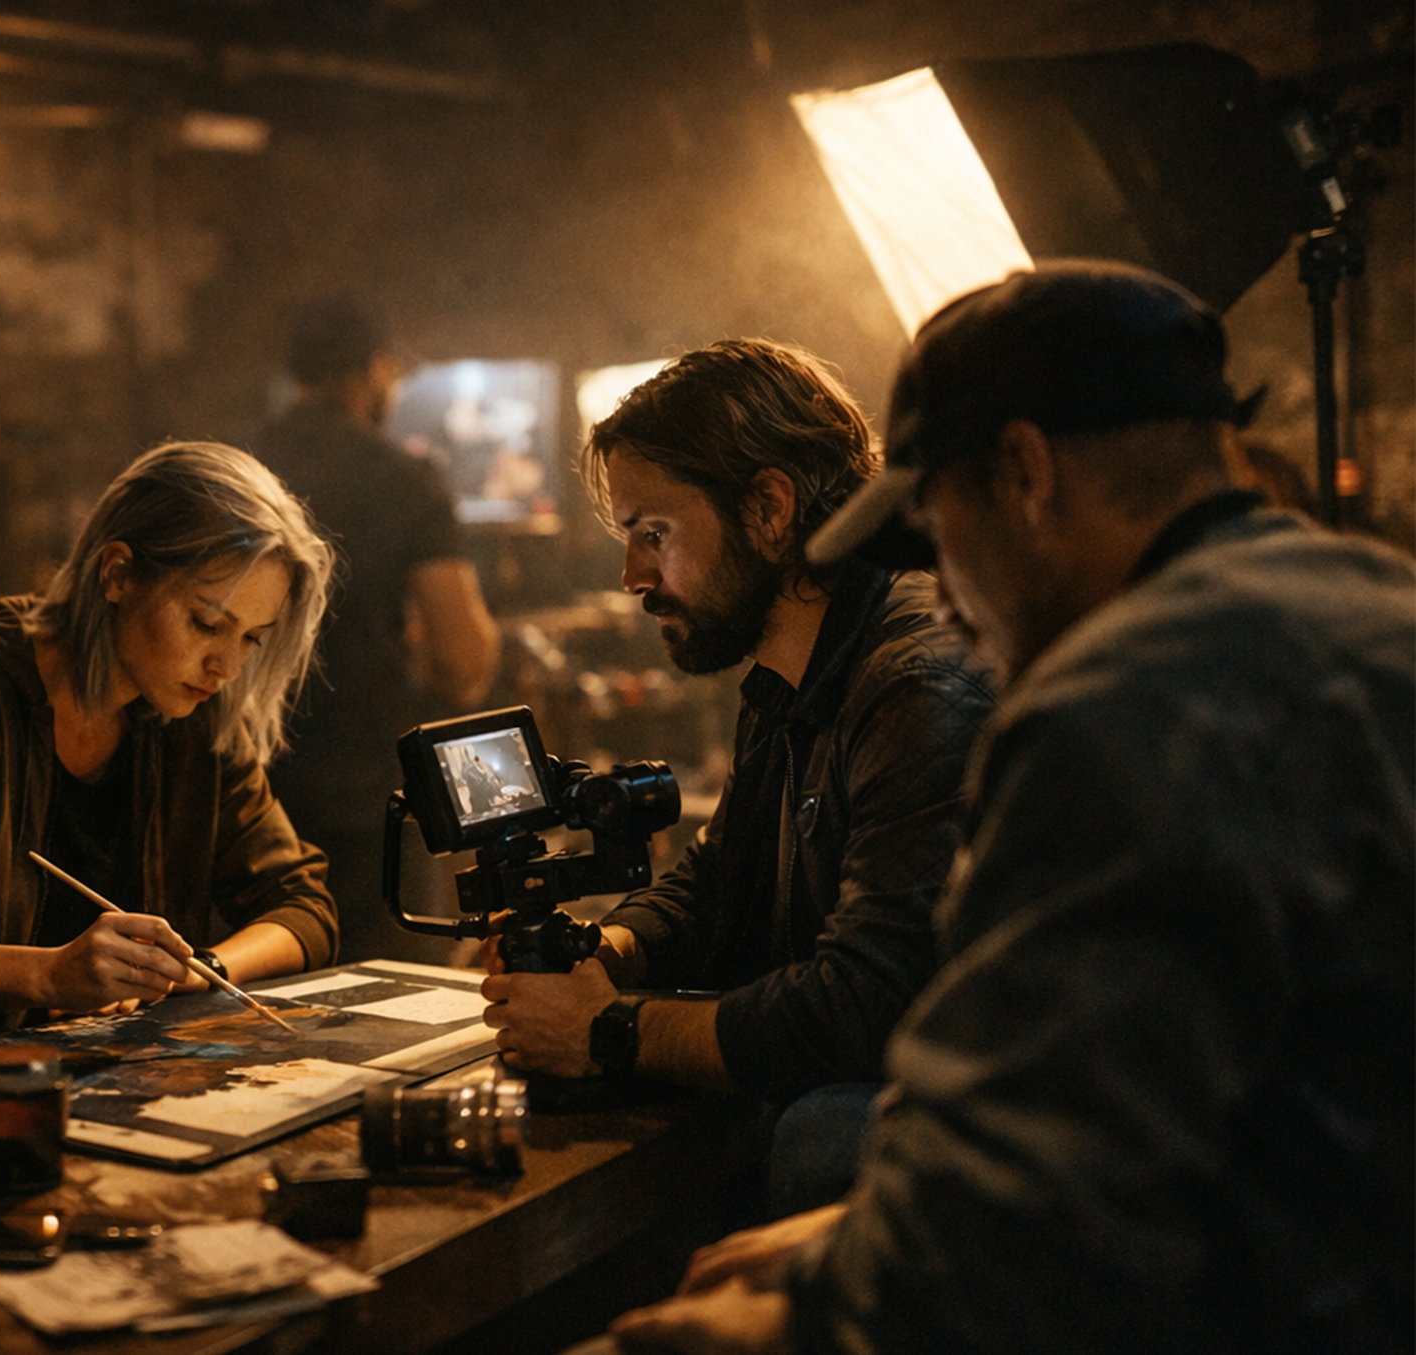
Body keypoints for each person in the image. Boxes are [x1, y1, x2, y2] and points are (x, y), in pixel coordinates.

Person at [609, 262, 1414, 1355]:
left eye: (937, 532)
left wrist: (803, 1308)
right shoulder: (1374, 603)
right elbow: (1141, 1089)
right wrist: (844, 1239)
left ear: (1024, 472)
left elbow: (1015, 1194)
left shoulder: (1111, 703)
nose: (940, 593)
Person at [478, 340, 995, 1214]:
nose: (633, 576)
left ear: (767, 508)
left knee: (820, 1133)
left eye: (654, 533)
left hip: (976, 1110)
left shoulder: (917, 678)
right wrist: (605, 948)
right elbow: (725, 874)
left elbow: (872, 1000)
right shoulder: (788, 667)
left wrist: (605, 1029)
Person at [0, 441, 339, 1042]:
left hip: (117, 1086)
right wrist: (46, 975)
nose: (226, 664)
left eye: (252, 638)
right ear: (117, 573)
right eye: (207, 623)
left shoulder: (196, 715)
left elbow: (304, 906)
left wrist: (203, 972)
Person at [253, 295, 500, 962]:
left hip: (245, 793)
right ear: (373, 370)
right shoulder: (404, 478)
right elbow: (461, 657)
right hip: (367, 801)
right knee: (392, 1008)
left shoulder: (238, 469)